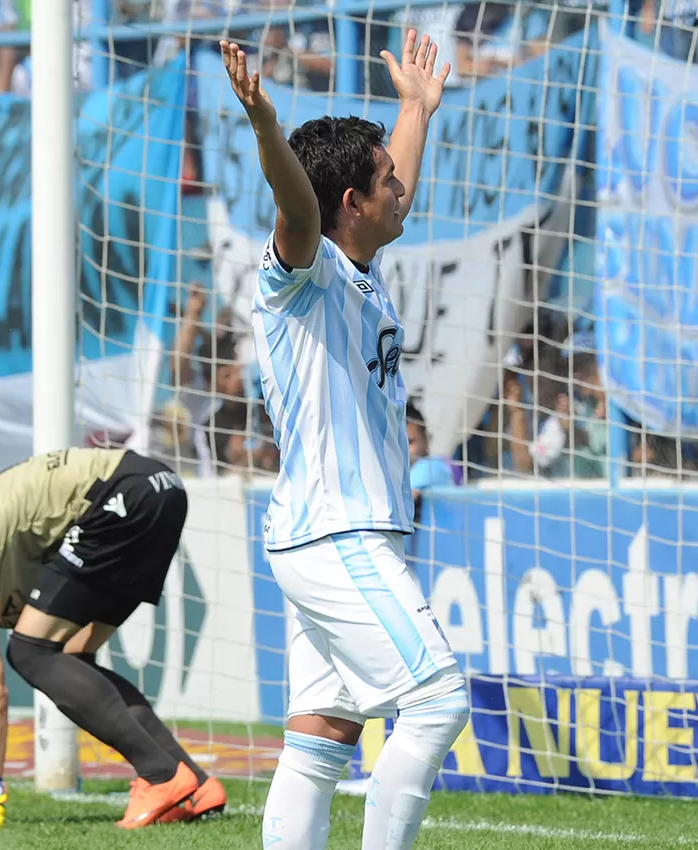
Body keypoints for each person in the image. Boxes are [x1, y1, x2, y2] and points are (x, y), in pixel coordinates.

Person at [220, 31, 471, 850]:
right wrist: (264, 121)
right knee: (436, 700)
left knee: (321, 737)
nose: (403, 187)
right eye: (388, 180)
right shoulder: (304, 269)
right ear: (351, 206)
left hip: (327, 531)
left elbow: (370, 183)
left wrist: (413, 111)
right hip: (337, 532)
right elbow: (300, 204)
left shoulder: (357, 259)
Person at [0, 448, 226, 831]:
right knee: (71, 658)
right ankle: (196, 785)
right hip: (161, 490)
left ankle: (159, 775)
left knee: (28, 651)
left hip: (119, 495)